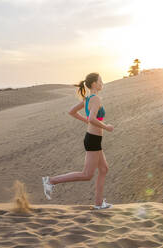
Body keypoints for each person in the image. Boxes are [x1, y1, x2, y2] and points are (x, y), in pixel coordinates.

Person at [42, 72, 114, 209]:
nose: (102, 83)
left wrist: (87, 120)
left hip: (94, 139)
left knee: (104, 169)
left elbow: (72, 112)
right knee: (87, 175)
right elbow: (92, 119)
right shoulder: (95, 99)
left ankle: (99, 203)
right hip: (93, 139)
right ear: (94, 84)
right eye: (100, 81)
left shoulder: (88, 99)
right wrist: (107, 127)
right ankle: (51, 181)